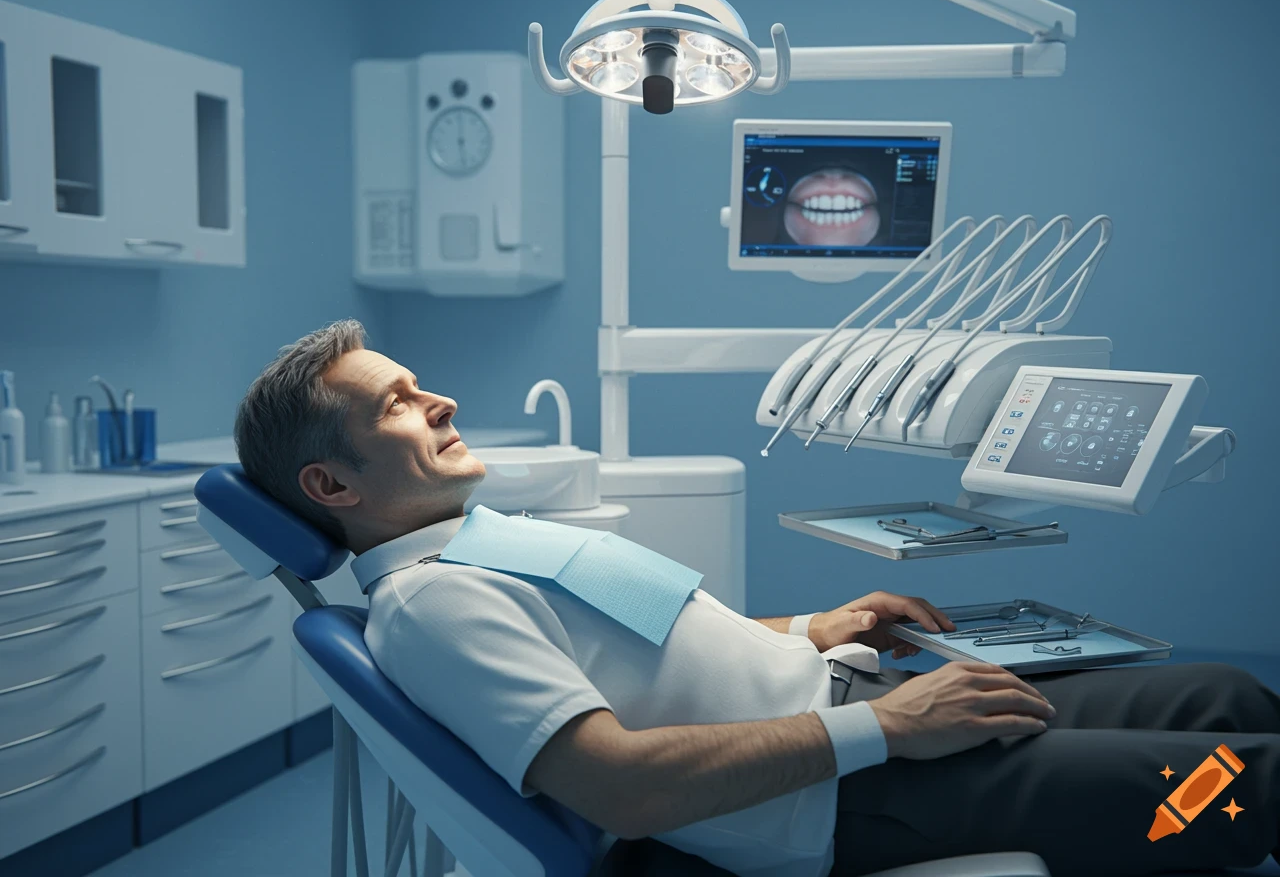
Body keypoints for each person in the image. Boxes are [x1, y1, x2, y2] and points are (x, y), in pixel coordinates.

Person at [234, 320, 1280, 877]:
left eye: (418, 382)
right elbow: (618, 787)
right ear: (332, 485)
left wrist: (815, 629)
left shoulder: (481, 548)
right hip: (845, 798)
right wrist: (889, 728)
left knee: (1220, 694)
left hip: (855, 711)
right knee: (1241, 784)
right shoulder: (431, 604)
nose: (440, 399)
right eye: (397, 403)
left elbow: (657, 640)